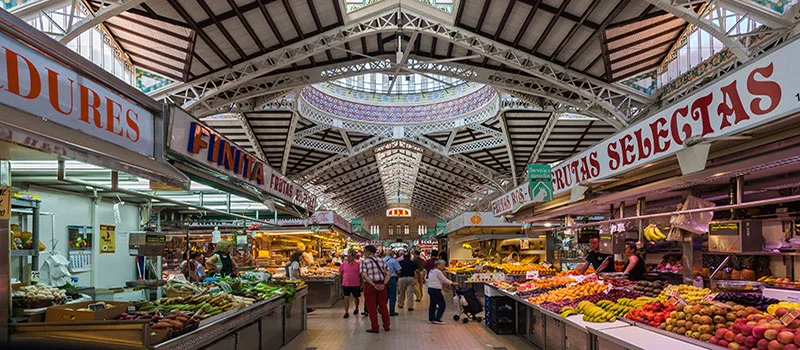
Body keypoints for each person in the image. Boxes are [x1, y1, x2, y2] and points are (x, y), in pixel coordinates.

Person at [360, 245, 391, 333]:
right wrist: (384, 284)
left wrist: (373, 285)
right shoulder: (382, 260)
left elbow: (364, 275)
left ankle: (375, 327)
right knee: (383, 306)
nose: (364, 253)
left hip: (370, 286)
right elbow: (388, 274)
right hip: (382, 284)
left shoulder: (364, 262)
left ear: (369, 252)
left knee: (371, 307)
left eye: (365, 251)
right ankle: (386, 325)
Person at [427, 260, 457, 324]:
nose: (443, 267)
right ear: (438, 265)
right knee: (442, 304)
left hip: (430, 288)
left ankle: (431, 318)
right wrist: (452, 283)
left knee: (433, 304)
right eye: (442, 265)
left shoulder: (431, 271)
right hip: (435, 290)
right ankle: (437, 318)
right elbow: (444, 279)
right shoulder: (438, 272)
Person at [339, 252, 361, 318]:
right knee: (346, 298)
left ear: (353, 257)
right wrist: (340, 282)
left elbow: (361, 274)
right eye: (347, 256)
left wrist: (361, 283)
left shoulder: (358, 265)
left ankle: (356, 308)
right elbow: (340, 274)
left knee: (356, 297)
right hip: (346, 284)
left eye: (349, 256)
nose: (348, 258)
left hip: (355, 284)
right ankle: (346, 312)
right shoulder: (343, 264)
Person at [382, 250, 401, 316]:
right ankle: (391, 311)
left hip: (383, 279)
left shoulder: (382, 260)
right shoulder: (393, 261)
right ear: (392, 254)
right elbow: (398, 271)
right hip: (391, 279)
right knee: (392, 295)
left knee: (385, 295)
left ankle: (382, 309)